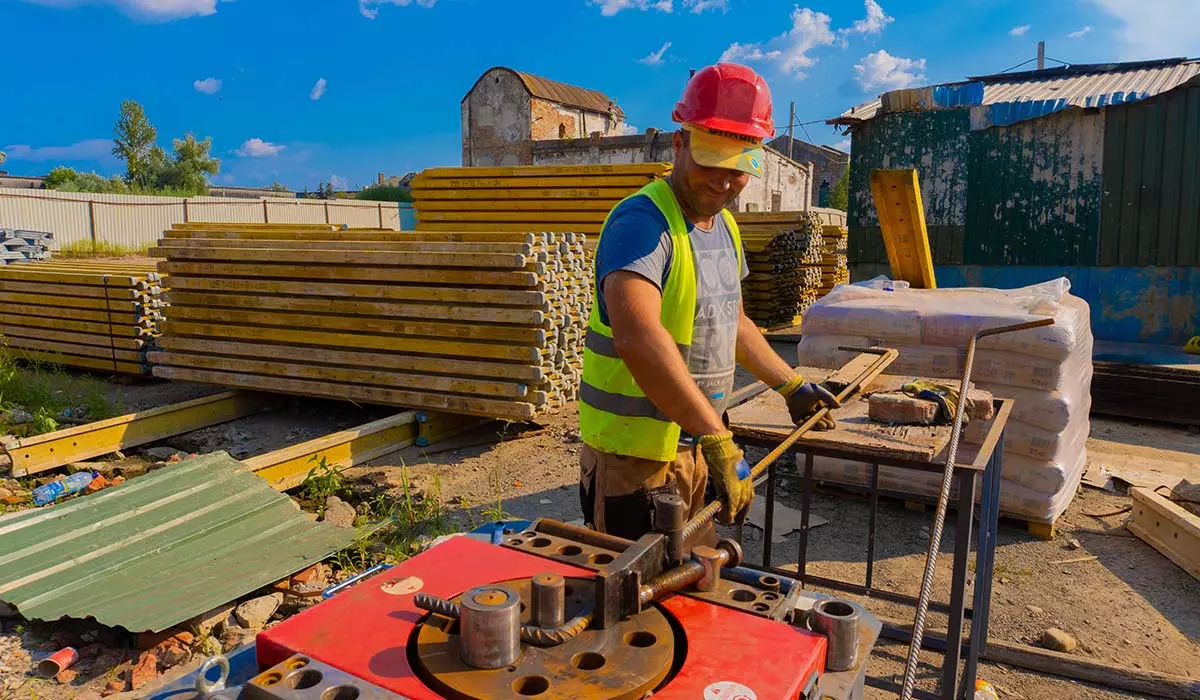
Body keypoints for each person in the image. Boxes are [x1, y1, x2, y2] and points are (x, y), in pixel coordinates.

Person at [578, 62, 840, 544]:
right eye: (709, 162)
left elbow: (732, 323)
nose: (722, 182)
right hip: (635, 458)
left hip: (696, 443)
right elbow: (637, 337)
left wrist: (791, 385)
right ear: (679, 145)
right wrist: (715, 435)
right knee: (635, 600)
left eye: (737, 168)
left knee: (692, 582)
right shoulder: (641, 224)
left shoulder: (724, 225)